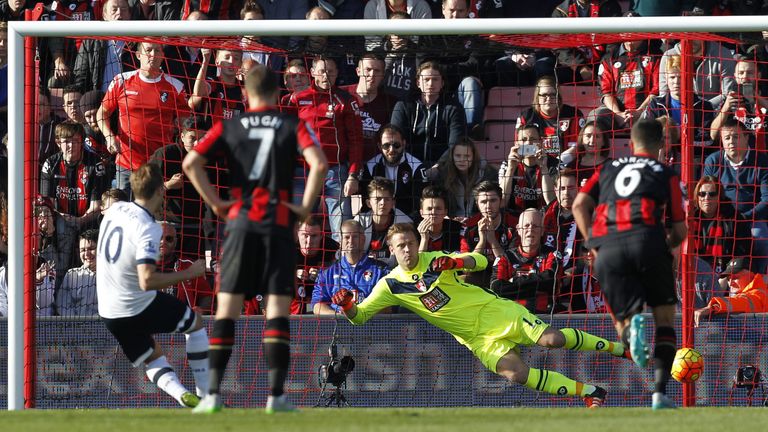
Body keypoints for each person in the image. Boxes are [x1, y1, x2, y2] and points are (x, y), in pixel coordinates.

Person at [332, 222, 628, 407]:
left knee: (552, 340)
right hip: (475, 338)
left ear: (416, 243)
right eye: (401, 246)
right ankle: (592, 391)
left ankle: (620, 349)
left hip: (495, 311)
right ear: (392, 250)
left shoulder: (434, 260)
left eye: (410, 243)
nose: (407, 250)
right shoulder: (390, 284)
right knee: (516, 373)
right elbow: (360, 316)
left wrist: (453, 261)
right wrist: (347, 305)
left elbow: (479, 262)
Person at [183, 65, 328, 413]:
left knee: (226, 311)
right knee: (277, 310)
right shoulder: (291, 125)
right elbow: (319, 164)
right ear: (278, 94)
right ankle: (276, 397)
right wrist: (304, 208)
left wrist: (217, 203)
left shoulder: (229, 126)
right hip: (277, 226)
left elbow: (190, 163)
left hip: (239, 226)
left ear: (245, 94)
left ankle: (212, 396)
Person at [572, 119, 687, 410]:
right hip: (647, 239)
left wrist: (593, 244)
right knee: (664, 319)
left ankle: (629, 330)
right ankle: (659, 394)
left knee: (621, 320)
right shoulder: (665, 172)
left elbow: (578, 205)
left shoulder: (608, 167)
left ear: (631, 144)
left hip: (608, 246)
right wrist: (667, 247)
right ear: (661, 144)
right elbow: (680, 228)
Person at [96, 163, 210, 408]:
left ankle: (183, 396)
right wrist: (189, 273)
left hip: (108, 310)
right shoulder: (148, 228)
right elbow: (146, 280)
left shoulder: (115, 209)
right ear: (161, 190)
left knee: (153, 357)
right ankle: (206, 397)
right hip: (136, 304)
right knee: (196, 325)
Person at [97, 41, 190, 195]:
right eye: (148, 50)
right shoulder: (121, 81)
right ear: (138, 55)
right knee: (126, 215)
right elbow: (102, 113)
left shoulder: (176, 86)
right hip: (126, 163)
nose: (153, 54)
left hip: (160, 165)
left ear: (162, 56)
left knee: (153, 215)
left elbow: (185, 124)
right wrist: (109, 136)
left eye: (157, 50)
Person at [288, 56, 363, 241]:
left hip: (335, 172)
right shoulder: (297, 99)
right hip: (303, 172)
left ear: (337, 73)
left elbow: (355, 140)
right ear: (312, 73)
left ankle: (341, 266)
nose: (326, 75)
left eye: (330, 71)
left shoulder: (346, 101)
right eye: (322, 71)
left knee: (342, 229)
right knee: (298, 226)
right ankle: (296, 268)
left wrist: (353, 175)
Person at [703, 117, 768, 273]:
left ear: (746, 137)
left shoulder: (762, 161)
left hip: (751, 218)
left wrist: (744, 218)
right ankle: (714, 281)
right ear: (722, 141)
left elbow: (766, 200)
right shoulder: (713, 161)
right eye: (727, 138)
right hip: (721, 217)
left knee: (760, 239)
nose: (731, 141)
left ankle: (756, 280)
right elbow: (705, 192)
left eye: (735, 137)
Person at [689, 175, 752, 308]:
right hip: (696, 274)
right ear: (697, 196)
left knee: (741, 277)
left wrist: (725, 275)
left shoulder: (734, 218)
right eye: (702, 194)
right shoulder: (689, 220)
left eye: (712, 194)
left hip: (725, 274)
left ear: (719, 197)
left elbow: (742, 253)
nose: (707, 198)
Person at [390, 61, 467, 165]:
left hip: (443, 168)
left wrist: (438, 167)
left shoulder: (454, 108)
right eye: (426, 79)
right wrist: (412, 167)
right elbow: (396, 139)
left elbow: (455, 145)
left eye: (435, 79)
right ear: (418, 83)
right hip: (407, 165)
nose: (431, 84)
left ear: (442, 83)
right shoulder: (403, 105)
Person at [39, 121, 110, 229]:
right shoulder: (50, 164)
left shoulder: (95, 164)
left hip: (89, 221)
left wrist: (80, 221)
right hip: (59, 220)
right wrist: (62, 218)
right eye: (67, 141)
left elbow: (96, 206)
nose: (71, 146)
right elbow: (48, 204)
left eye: (75, 141)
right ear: (58, 142)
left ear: (82, 142)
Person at [311, 220, 389, 314]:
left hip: (370, 325)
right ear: (341, 241)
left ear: (363, 239)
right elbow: (317, 306)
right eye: (347, 237)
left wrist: (360, 314)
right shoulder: (327, 273)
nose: (351, 241)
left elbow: (388, 306)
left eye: (355, 237)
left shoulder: (381, 271)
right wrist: (338, 316)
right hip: (338, 325)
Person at [361, 123, 428, 217]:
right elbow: (366, 201)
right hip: (377, 217)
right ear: (379, 146)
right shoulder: (371, 166)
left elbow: (419, 204)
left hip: (407, 218)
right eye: (386, 146)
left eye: (396, 145)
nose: (391, 150)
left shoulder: (417, 167)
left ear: (404, 144)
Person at [341, 53, 397, 160]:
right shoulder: (341, 95)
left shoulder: (391, 103)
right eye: (368, 69)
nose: (372, 75)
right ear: (358, 71)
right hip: (343, 163)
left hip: (375, 164)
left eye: (377, 71)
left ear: (383, 75)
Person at [426, 137, 497, 220]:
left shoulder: (487, 174)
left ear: (473, 157)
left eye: (467, 156)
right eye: (458, 156)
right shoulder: (443, 175)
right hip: (452, 222)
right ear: (452, 156)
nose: (462, 160)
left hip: (480, 220)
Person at [516, 76, 584, 156]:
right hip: (536, 162)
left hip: (566, 164)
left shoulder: (573, 114)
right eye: (544, 95)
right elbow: (521, 148)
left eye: (553, 95)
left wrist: (558, 164)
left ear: (558, 97)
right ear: (537, 97)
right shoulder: (527, 117)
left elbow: (577, 147)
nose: (548, 99)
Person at [499, 125, 557, 215]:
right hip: (515, 218)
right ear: (516, 143)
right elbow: (502, 201)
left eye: (533, 139)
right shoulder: (507, 164)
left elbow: (551, 201)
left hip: (545, 217)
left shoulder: (554, 164)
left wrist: (544, 168)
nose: (528, 143)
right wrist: (511, 169)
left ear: (541, 142)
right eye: (523, 140)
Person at [694, 257, 768, 327]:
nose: (730, 283)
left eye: (735, 278)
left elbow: (744, 301)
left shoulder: (760, 293)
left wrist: (715, 306)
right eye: (728, 279)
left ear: (752, 276)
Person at [354, 177, 413, 260]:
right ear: (368, 203)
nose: (382, 203)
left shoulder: (404, 222)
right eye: (378, 199)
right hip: (363, 268)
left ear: (393, 202)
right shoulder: (359, 222)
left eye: (387, 199)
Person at [292, 216, 339, 314]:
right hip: (296, 298)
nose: (309, 241)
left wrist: (324, 274)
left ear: (322, 235)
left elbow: (343, 275)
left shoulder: (333, 248)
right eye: (305, 235)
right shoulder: (288, 249)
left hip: (324, 298)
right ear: (297, 234)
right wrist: (293, 273)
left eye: (314, 236)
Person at [56, 228, 99, 316]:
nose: (86, 254)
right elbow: (62, 305)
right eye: (82, 250)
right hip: (74, 327)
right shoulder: (71, 275)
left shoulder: (112, 275)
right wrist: (76, 324)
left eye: (91, 249)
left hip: (101, 327)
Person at [558, 121, 612, 186]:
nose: (592, 140)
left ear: (603, 141)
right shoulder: (572, 167)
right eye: (588, 136)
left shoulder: (613, 165)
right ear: (582, 140)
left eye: (597, 136)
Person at [416, 185, 464, 252]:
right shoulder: (413, 233)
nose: (433, 212)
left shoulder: (457, 229)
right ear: (421, 213)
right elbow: (418, 262)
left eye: (438, 208)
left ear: (445, 212)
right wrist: (424, 239)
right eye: (429, 209)